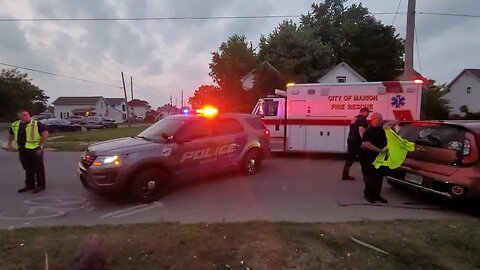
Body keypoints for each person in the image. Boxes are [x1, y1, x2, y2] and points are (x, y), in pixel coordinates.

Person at [6, 110, 49, 193]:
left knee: (38, 168)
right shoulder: (15, 124)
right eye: (21, 115)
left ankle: (41, 185)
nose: (25, 116)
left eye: (25, 115)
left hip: (35, 149)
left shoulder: (36, 124)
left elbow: (45, 134)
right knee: (27, 168)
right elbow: (10, 134)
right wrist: (9, 144)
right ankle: (29, 185)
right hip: (22, 149)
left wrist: (41, 146)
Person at [361, 112, 388, 203]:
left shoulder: (381, 130)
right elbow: (366, 144)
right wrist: (379, 150)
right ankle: (368, 195)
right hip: (371, 158)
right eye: (379, 120)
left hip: (381, 158)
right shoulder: (369, 131)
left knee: (379, 177)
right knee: (371, 177)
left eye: (382, 119)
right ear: (374, 120)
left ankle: (377, 195)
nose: (381, 121)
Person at [342, 107, 371, 180]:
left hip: (351, 140)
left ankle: (345, 175)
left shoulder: (354, 118)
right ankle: (366, 177)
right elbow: (361, 129)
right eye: (368, 112)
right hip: (357, 142)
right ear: (364, 112)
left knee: (350, 158)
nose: (368, 114)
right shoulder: (362, 118)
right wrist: (363, 140)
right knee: (363, 159)